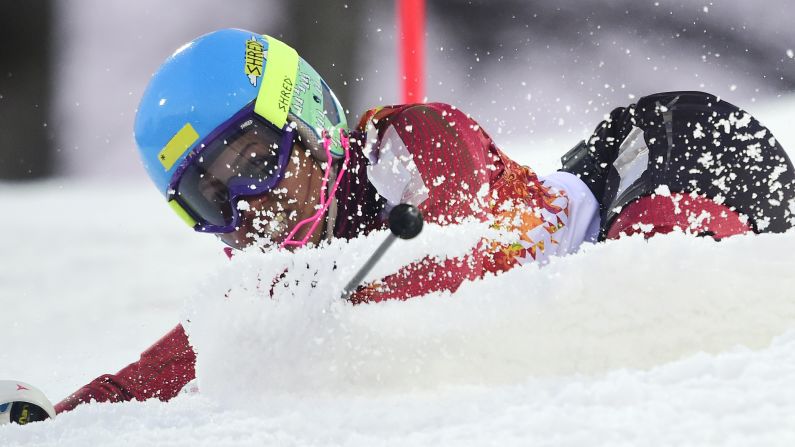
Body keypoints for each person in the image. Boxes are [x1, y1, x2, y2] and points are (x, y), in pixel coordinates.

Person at [49, 28, 795, 416]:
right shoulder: (284, 275)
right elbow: (189, 359)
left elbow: (453, 264)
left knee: (673, 295)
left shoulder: (412, 141)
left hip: (664, 164)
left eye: (252, 160)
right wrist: (61, 419)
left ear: (304, 116)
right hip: (595, 220)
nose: (250, 204)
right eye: (212, 197)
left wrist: (310, 324)